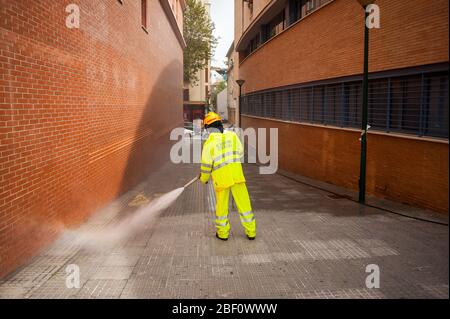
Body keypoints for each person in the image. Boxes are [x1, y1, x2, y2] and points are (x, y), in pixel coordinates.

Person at [199, 112, 256, 241]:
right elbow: (240, 151)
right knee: (244, 204)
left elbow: (206, 166)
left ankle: (223, 233)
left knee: (222, 207)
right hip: (237, 175)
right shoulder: (232, 136)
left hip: (222, 179)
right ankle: (251, 231)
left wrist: (204, 179)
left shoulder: (209, 143)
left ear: (209, 128)